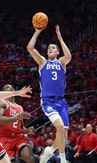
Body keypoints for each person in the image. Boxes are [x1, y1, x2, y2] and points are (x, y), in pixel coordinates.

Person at [27, 24, 72, 163]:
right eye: (49, 48)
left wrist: (60, 38)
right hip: (48, 101)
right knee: (58, 126)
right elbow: (30, 48)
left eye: (53, 48)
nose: (51, 49)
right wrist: (37, 32)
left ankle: (50, 150)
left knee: (64, 136)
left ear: (58, 52)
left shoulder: (61, 62)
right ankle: (63, 159)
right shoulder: (42, 62)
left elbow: (69, 55)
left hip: (61, 102)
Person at [0, 84, 35, 163]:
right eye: (7, 87)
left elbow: (20, 128)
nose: (9, 87)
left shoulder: (20, 107)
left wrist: (27, 130)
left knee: (30, 158)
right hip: (5, 138)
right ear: (3, 92)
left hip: (18, 137)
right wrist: (17, 117)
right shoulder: (2, 102)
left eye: (11, 87)